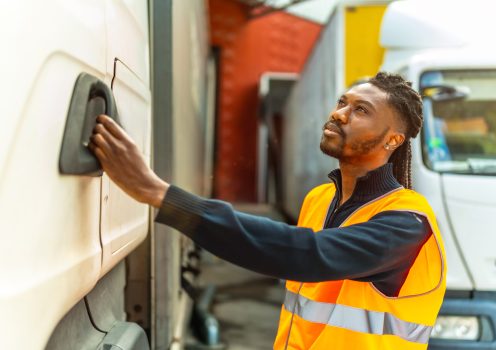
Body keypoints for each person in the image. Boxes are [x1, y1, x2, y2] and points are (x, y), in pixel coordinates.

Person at [89, 72, 446, 350]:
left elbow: (305, 254)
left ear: (393, 140)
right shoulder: (320, 199)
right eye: (343, 102)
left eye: (360, 110)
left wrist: (161, 195)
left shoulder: (408, 223)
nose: (339, 114)